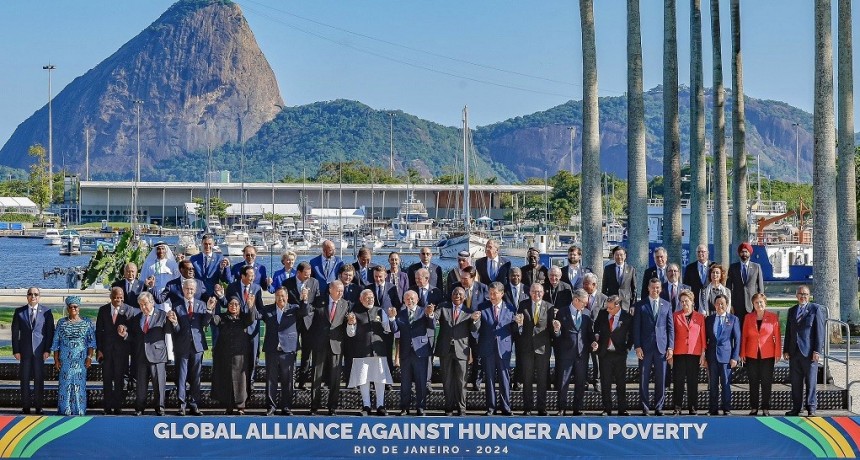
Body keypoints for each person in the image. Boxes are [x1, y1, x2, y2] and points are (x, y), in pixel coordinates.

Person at [121, 291, 179, 416]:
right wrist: (125, 335)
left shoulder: (162, 315)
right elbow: (135, 337)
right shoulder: (137, 318)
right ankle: (140, 408)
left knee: (159, 384)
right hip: (141, 356)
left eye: (145, 304)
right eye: (141, 305)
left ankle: (160, 407)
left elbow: (170, 331)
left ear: (152, 302)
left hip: (158, 355)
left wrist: (173, 322)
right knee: (141, 385)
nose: (143, 307)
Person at [259, 287, 306, 416]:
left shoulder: (294, 308)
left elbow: (304, 312)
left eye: (283, 296)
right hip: (272, 349)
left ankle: (286, 407)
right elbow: (256, 316)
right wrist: (251, 305)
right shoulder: (268, 309)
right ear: (275, 297)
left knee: (288, 380)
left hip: (288, 350)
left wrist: (304, 300)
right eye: (278, 296)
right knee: (271, 380)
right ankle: (271, 407)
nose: (281, 298)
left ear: (287, 297)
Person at [347, 290, 394, 416]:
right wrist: (351, 324)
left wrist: (390, 318)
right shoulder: (355, 313)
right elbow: (350, 333)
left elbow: (388, 329)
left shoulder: (380, 311)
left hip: (378, 350)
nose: (370, 300)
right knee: (363, 379)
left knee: (380, 379)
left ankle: (380, 405)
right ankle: (366, 405)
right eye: (367, 298)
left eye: (372, 297)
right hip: (361, 351)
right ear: (361, 299)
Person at [173, 278, 216, 416]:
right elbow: (177, 328)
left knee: (196, 376)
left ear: (195, 290)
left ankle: (194, 404)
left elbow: (205, 323)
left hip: (197, 345)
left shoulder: (202, 305)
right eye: (187, 289)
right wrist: (174, 323)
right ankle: (182, 405)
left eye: (192, 289)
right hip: (182, 345)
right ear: (183, 289)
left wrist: (209, 309)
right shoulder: (177, 305)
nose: (189, 291)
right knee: (181, 376)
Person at [307, 280, 350, 415]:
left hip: (336, 345)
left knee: (335, 378)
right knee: (316, 376)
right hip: (320, 344)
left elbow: (346, 324)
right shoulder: (319, 301)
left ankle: (332, 407)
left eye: (342, 291)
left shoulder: (345, 304)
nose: (341, 293)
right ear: (330, 289)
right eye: (338, 290)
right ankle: (314, 406)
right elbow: (309, 318)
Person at [632, 278, 674, 416]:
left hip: (661, 347)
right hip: (645, 347)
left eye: (657, 288)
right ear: (648, 288)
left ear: (660, 289)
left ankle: (659, 407)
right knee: (644, 378)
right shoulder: (640, 305)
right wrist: (637, 346)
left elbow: (670, 328)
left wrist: (670, 347)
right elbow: (636, 327)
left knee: (661, 379)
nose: (655, 290)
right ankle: (645, 407)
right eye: (653, 287)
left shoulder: (667, 305)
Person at [389, 290, 435, 416]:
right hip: (405, 353)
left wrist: (431, 315)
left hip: (421, 351)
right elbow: (395, 330)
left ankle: (421, 407)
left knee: (421, 382)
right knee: (405, 382)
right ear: (404, 301)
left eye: (412, 299)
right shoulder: (401, 314)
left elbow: (432, 326)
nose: (410, 301)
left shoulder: (424, 311)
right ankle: (405, 407)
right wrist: (392, 318)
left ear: (417, 299)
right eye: (407, 299)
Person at [474, 282, 516, 416]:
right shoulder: (482, 307)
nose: (491, 296)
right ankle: (491, 408)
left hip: (504, 348)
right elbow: (476, 329)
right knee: (490, 379)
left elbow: (514, 330)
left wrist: (519, 324)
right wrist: (475, 321)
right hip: (488, 348)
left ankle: (506, 407)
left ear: (502, 294)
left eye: (494, 293)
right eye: (490, 293)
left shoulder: (510, 308)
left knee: (505, 379)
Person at [222, 265, 265, 397]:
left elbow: (261, 309)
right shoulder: (232, 287)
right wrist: (219, 296)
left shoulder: (257, 288)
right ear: (243, 276)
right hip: (236, 330)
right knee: (237, 359)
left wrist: (254, 315)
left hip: (252, 330)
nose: (252, 278)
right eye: (250, 276)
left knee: (252, 358)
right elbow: (226, 304)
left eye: (253, 276)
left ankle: (250, 383)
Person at [783, 285, 826, 417]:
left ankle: (811, 407)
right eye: (801, 294)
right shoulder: (792, 310)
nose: (803, 296)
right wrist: (785, 350)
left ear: (809, 296)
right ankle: (797, 408)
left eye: (805, 294)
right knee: (795, 382)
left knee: (811, 381)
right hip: (794, 352)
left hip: (809, 353)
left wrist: (817, 351)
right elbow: (789, 332)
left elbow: (819, 331)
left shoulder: (815, 309)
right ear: (796, 296)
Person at [12, 287, 55, 415]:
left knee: (39, 378)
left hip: (40, 352)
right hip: (24, 352)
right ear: (27, 296)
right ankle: (25, 407)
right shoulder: (19, 312)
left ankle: (38, 406)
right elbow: (15, 333)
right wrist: (16, 350)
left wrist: (48, 349)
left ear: (39, 296)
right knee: (24, 379)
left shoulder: (47, 312)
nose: (33, 296)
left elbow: (49, 332)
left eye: (35, 294)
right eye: (30, 294)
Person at [96, 287, 138, 415]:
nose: (117, 300)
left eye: (120, 297)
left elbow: (133, 332)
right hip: (107, 352)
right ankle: (107, 407)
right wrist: (99, 350)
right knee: (107, 379)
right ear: (111, 297)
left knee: (120, 380)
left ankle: (118, 406)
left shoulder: (129, 310)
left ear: (123, 297)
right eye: (115, 297)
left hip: (122, 352)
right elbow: (98, 331)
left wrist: (125, 333)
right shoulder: (103, 310)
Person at [51, 296, 96, 416]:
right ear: (67, 308)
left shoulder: (86, 323)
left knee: (79, 385)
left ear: (79, 308)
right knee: (65, 385)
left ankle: (79, 411)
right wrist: (56, 359)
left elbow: (91, 342)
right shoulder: (61, 322)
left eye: (75, 307)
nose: (73, 309)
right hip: (65, 360)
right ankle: (65, 410)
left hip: (80, 360)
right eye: (70, 307)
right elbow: (56, 342)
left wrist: (89, 357)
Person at [552, 288, 595, 416]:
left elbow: (589, 332)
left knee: (581, 382)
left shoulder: (587, 313)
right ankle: (562, 408)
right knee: (563, 382)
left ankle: (578, 408)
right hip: (566, 353)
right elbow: (557, 335)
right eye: (584, 302)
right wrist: (556, 330)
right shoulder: (562, 312)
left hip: (582, 353)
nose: (585, 305)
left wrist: (593, 341)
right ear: (576, 300)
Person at [434, 287, 475, 416]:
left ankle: (462, 408)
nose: (457, 295)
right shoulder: (443, 308)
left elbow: (474, 331)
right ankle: (449, 407)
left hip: (462, 350)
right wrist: (430, 313)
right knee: (447, 380)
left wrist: (475, 320)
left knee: (462, 381)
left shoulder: (469, 312)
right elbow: (433, 318)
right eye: (455, 293)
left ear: (464, 297)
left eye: (460, 294)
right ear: (451, 296)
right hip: (445, 349)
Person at [209, 297, 254, 415]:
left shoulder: (243, 318)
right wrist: (211, 308)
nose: (233, 306)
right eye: (231, 304)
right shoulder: (223, 317)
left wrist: (250, 306)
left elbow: (251, 319)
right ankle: (228, 406)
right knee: (226, 380)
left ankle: (241, 406)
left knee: (241, 381)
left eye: (236, 304)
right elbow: (214, 320)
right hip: (224, 355)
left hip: (240, 355)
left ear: (239, 306)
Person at [514, 283, 553, 416]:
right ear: (530, 292)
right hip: (527, 348)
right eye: (534, 291)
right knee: (527, 379)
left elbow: (552, 329)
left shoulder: (549, 307)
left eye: (539, 292)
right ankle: (528, 408)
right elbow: (518, 327)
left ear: (543, 293)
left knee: (542, 380)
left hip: (543, 348)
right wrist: (519, 324)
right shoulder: (523, 304)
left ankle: (542, 408)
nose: (537, 294)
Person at [742, 293, 782, 416]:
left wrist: (777, 353)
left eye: (761, 302)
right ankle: (754, 407)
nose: (759, 305)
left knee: (766, 382)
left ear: (765, 303)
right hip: (751, 354)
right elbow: (744, 336)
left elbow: (777, 336)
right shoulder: (748, 317)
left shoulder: (773, 317)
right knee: (753, 382)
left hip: (767, 354)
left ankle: (765, 407)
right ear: (753, 304)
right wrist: (742, 352)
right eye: (756, 303)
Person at [592, 295, 633, 416]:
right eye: (607, 307)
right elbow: (596, 327)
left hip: (620, 354)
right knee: (605, 382)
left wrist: (627, 347)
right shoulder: (603, 313)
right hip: (605, 354)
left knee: (621, 383)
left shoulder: (626, 317)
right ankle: (607, 408)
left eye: (610, 308)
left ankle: (622, 408)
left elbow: (632, 334)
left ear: (617, 306)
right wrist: (597, 337)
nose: (608, 310)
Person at [670, 290, 706, 415]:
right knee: (678, 381)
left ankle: (693, 408)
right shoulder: (675, 316)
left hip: (694, 353)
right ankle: (677, 407)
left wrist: (703, 353)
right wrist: (670, 352)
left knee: (693, 382)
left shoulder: (700, 317)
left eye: (687, 301)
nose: (684, 303)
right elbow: (672, 335)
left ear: (692, 302)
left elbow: (702, 336)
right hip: (679, 353)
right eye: (682, 301)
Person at [286, 261, 321, 389]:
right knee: (291, 352)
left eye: (309, 274)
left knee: (306, 354)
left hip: (308, 322)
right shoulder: (288, 283)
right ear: (298, 273)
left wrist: (306, 305)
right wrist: (298, 306)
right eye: (305, 275)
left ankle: (302, 382)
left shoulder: (314, 282)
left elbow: (316, 301)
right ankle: (290, 381)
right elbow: (286, 303)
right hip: (293, 322)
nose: (308, 277)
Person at [704, 294, 740, 415]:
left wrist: (735, 357)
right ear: (714, 305)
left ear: (726, 305)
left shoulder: (733, 319)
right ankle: (713, 409)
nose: (720, 306)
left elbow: (737, 339)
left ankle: (726, 408)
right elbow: (705, 339)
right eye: (718, 303)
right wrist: (704, 355)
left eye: (722, 304)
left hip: (726, 357)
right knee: (713, 385)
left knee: (725, 384)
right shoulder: (709, 319)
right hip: (712, 357)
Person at [726, 242, 764, 330]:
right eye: (742, 252)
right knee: (738, 330)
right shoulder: (733, 267)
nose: (744, 254)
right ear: (739, 253)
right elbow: (728, 287)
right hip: (737, 305)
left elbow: (760, 287)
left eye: (746, 252)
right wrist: (730, 304)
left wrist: (760, 303)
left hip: (752, 305)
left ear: (750, 253)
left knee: (752, 329)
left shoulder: (756, 267)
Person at [602, 246, 637, 312]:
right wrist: (605, 303)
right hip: (612, 304)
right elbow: (604, 287)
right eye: (617, 255)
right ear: (614, 256)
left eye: (621, 255)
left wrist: (633, 305)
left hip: (625, 304)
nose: (619, 257)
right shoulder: (608, 269)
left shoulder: (631, 269)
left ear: (625, 256)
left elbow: (634, 289)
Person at [683, 244, 711, 313]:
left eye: (703, 252)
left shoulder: (713, 266)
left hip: (710, 303)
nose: (700, 253)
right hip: (694, 304)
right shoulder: (690, 268)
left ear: (707, 253)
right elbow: (686, 286)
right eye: (698, 252)